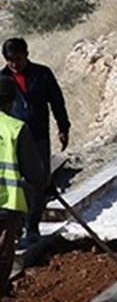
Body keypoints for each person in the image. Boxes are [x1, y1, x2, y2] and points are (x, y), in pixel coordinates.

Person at [1, 37, 69, 249]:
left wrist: (63, 127)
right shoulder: (2, 80)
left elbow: (57, 101)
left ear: (26, 55)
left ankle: (32, 226)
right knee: (15, 185)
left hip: (38, 135)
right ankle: (16, 227)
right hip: (10, 138)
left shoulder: (42, 74)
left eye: (18, 59)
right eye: (10, 60)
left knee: (39, 182)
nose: (15, 64)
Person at [0, 76, 45, 293]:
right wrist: (43, 182)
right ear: (12, 101)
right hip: (5, 206)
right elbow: (35, 174)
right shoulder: (15, 129)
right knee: (2, 259)